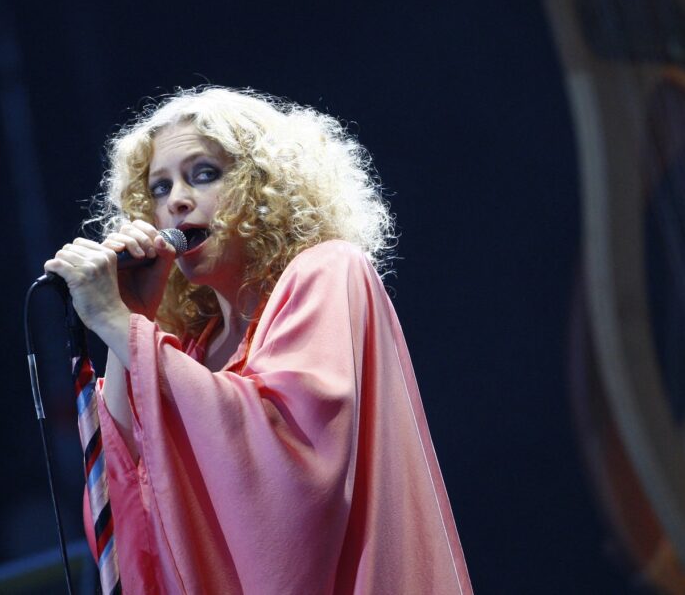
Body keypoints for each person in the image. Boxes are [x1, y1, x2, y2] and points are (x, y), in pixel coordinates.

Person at [43, 87, 473, 594]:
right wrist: (134, 317)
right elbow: (125, 504)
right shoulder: (188, 352)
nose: (177, 200)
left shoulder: (329, 271)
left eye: (203, 174)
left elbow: (296, 465)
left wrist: (120, 324)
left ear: (261, 187)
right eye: (159, 188)